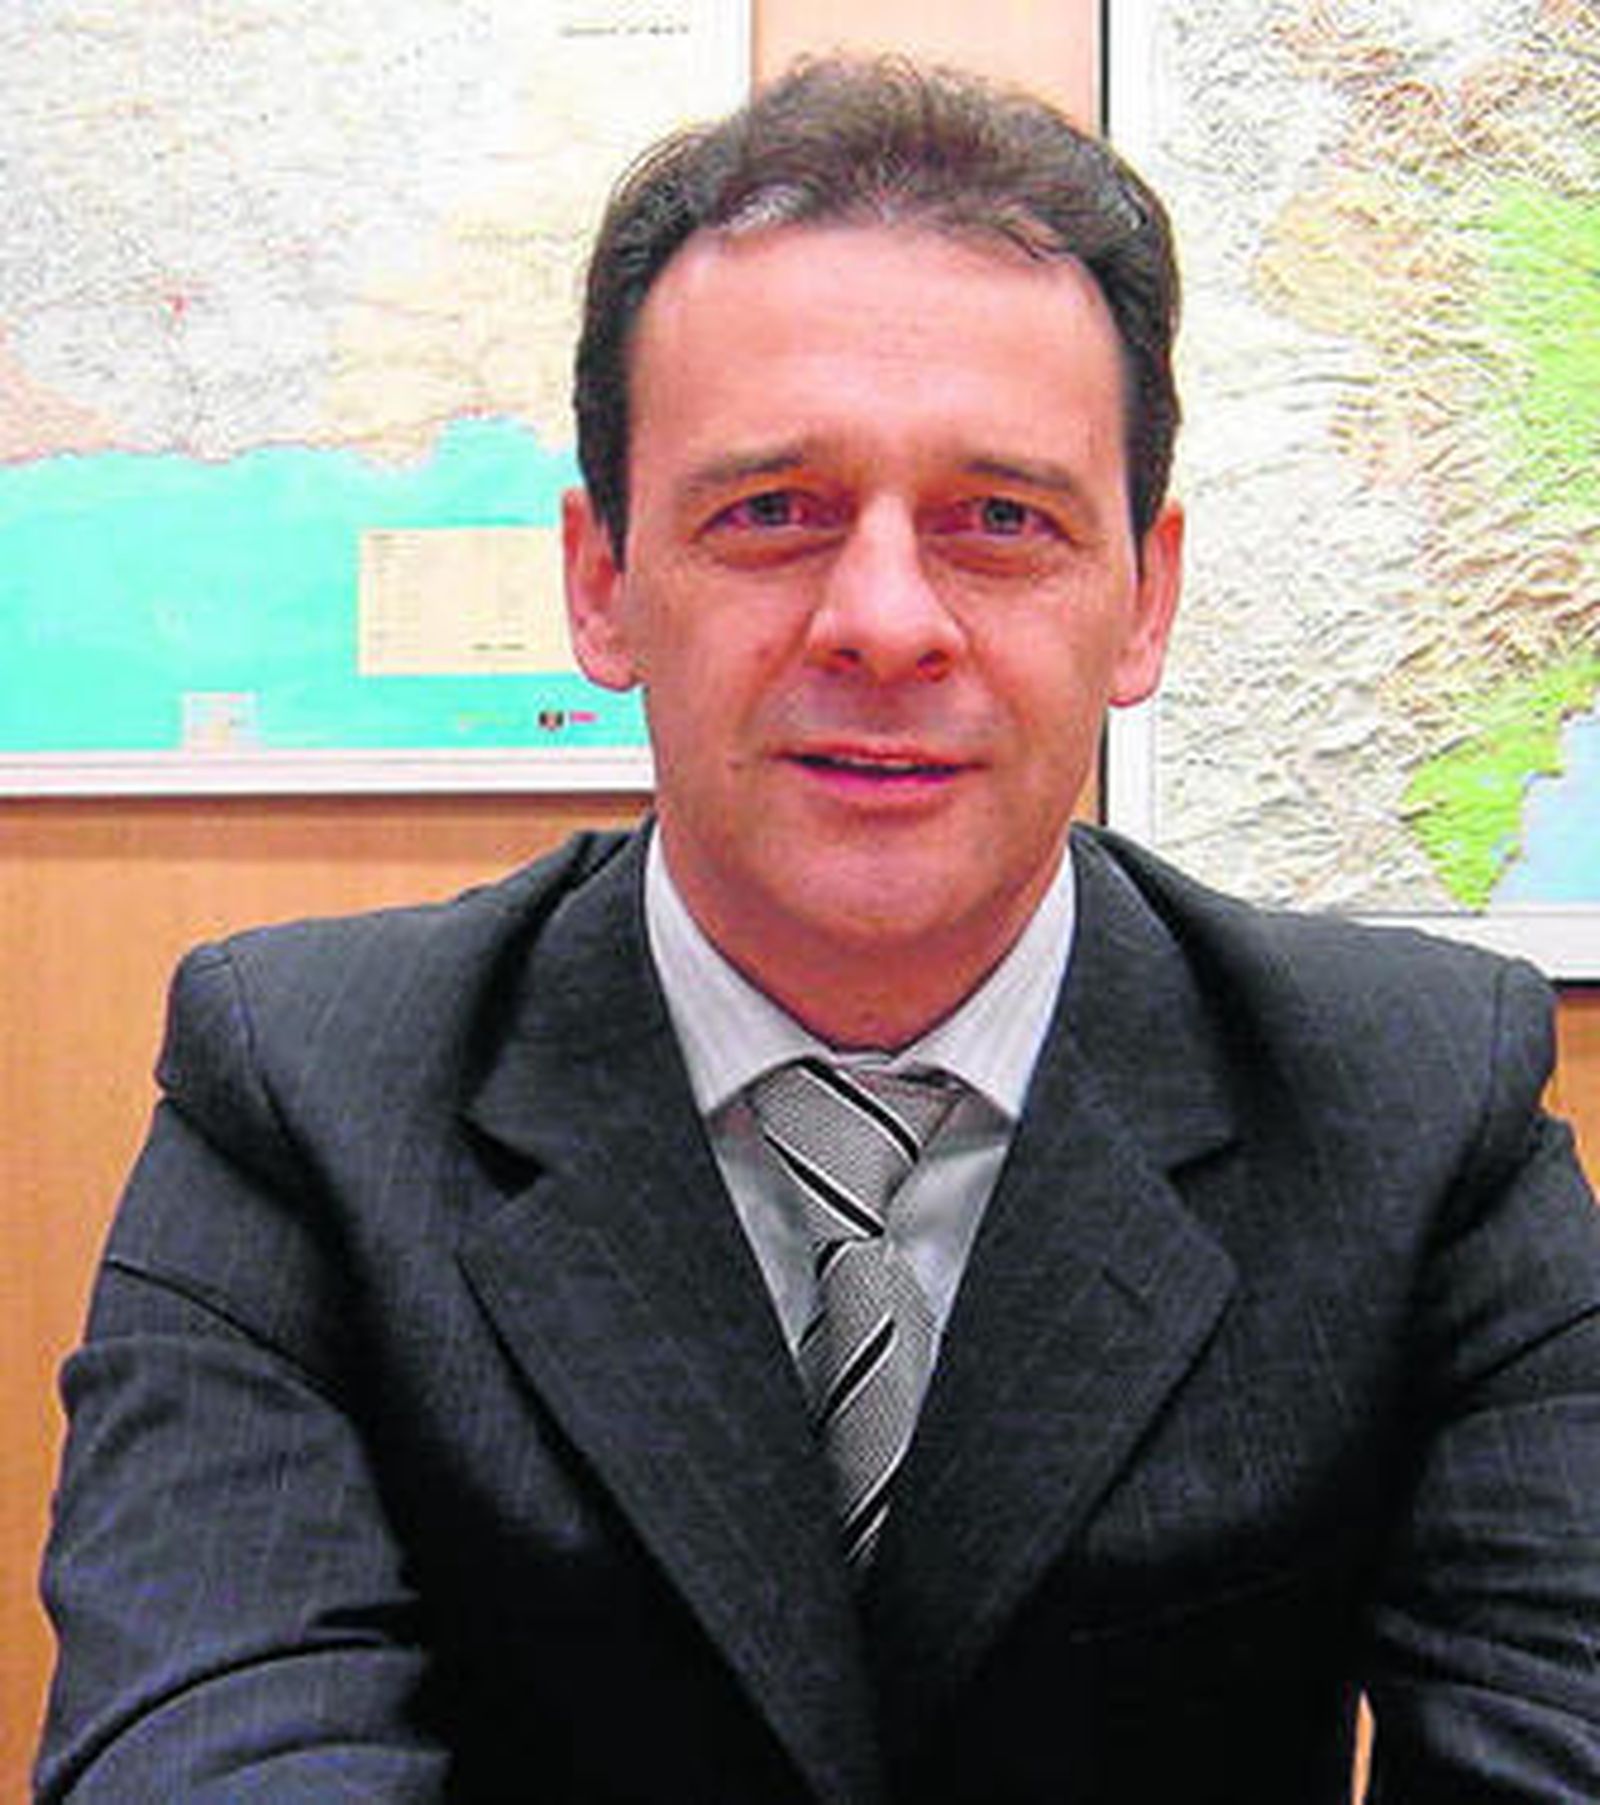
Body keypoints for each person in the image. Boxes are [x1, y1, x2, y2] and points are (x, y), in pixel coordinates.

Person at [36, 56, 1600, 1804]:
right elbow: (210, 1749)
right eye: (771, 512)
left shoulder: (1418, 1105)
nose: (883, 619)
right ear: (602, 580)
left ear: (1144, 597)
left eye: (1001, 521)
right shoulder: (304, 1090)